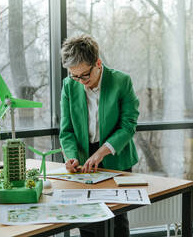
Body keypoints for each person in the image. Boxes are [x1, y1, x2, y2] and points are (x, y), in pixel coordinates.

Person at [59, 34, 140, 237]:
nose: (80, 81)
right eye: (74, 75)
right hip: (83, 159)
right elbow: (67, 130)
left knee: (118, 220)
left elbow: (128, 125)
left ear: (98, 63)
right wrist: (71, 156)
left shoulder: (121, 81)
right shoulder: (69, 85)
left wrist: (102, 152)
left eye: (84, 75)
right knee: (87, 219)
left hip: (115, 155)